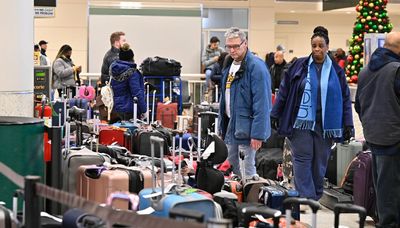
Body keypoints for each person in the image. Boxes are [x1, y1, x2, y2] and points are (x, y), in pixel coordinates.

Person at [270, 27, 353, 201]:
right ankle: (305, 197)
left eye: (320, 45)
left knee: (319, 161)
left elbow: (345, 99)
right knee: (301, 159)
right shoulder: (298, 66)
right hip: (300, 123)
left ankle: (315, 195)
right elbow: (284, 91)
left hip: (325, 124)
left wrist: (348, 124)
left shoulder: (336, 71)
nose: (317, 49)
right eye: (314, 45)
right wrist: (275, 113)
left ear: (327, 46)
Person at [355, 31, 400, 228]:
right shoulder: (396, 70)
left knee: (383, 189)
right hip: (394, 139)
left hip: (374, 138)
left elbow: (358, 105)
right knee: (391, 194)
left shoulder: (365, 71)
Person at [218, 27, 271, 178]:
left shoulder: (257, 67)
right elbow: (225, 98)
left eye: (236, 46)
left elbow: (263, 103)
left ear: (245, 43)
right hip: (231, 126)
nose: (232, 50)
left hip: (247, 130)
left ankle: (250, 200)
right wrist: (222, 126)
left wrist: (258, 134)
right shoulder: (229, 66)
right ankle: (236, 198)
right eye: (229, 46)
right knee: (231, 167)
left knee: (247, 168)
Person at [109, 43, 146, 123]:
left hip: (116, 108)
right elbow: (136, 93)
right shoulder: (132, 73)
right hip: (130, 109)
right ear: (131, 58)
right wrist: (144, 109)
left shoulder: (114, 71)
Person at [202, 36, 225, 102]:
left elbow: (225, 58)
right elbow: (204, 63)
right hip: (210, 68)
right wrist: (213, 60)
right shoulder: (206, 51)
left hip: (219, 69)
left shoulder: (221, 50)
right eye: (215, 45)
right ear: (211, 44)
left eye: (217, 44)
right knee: (208, 74)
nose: (216, 46)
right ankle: (208, 89)